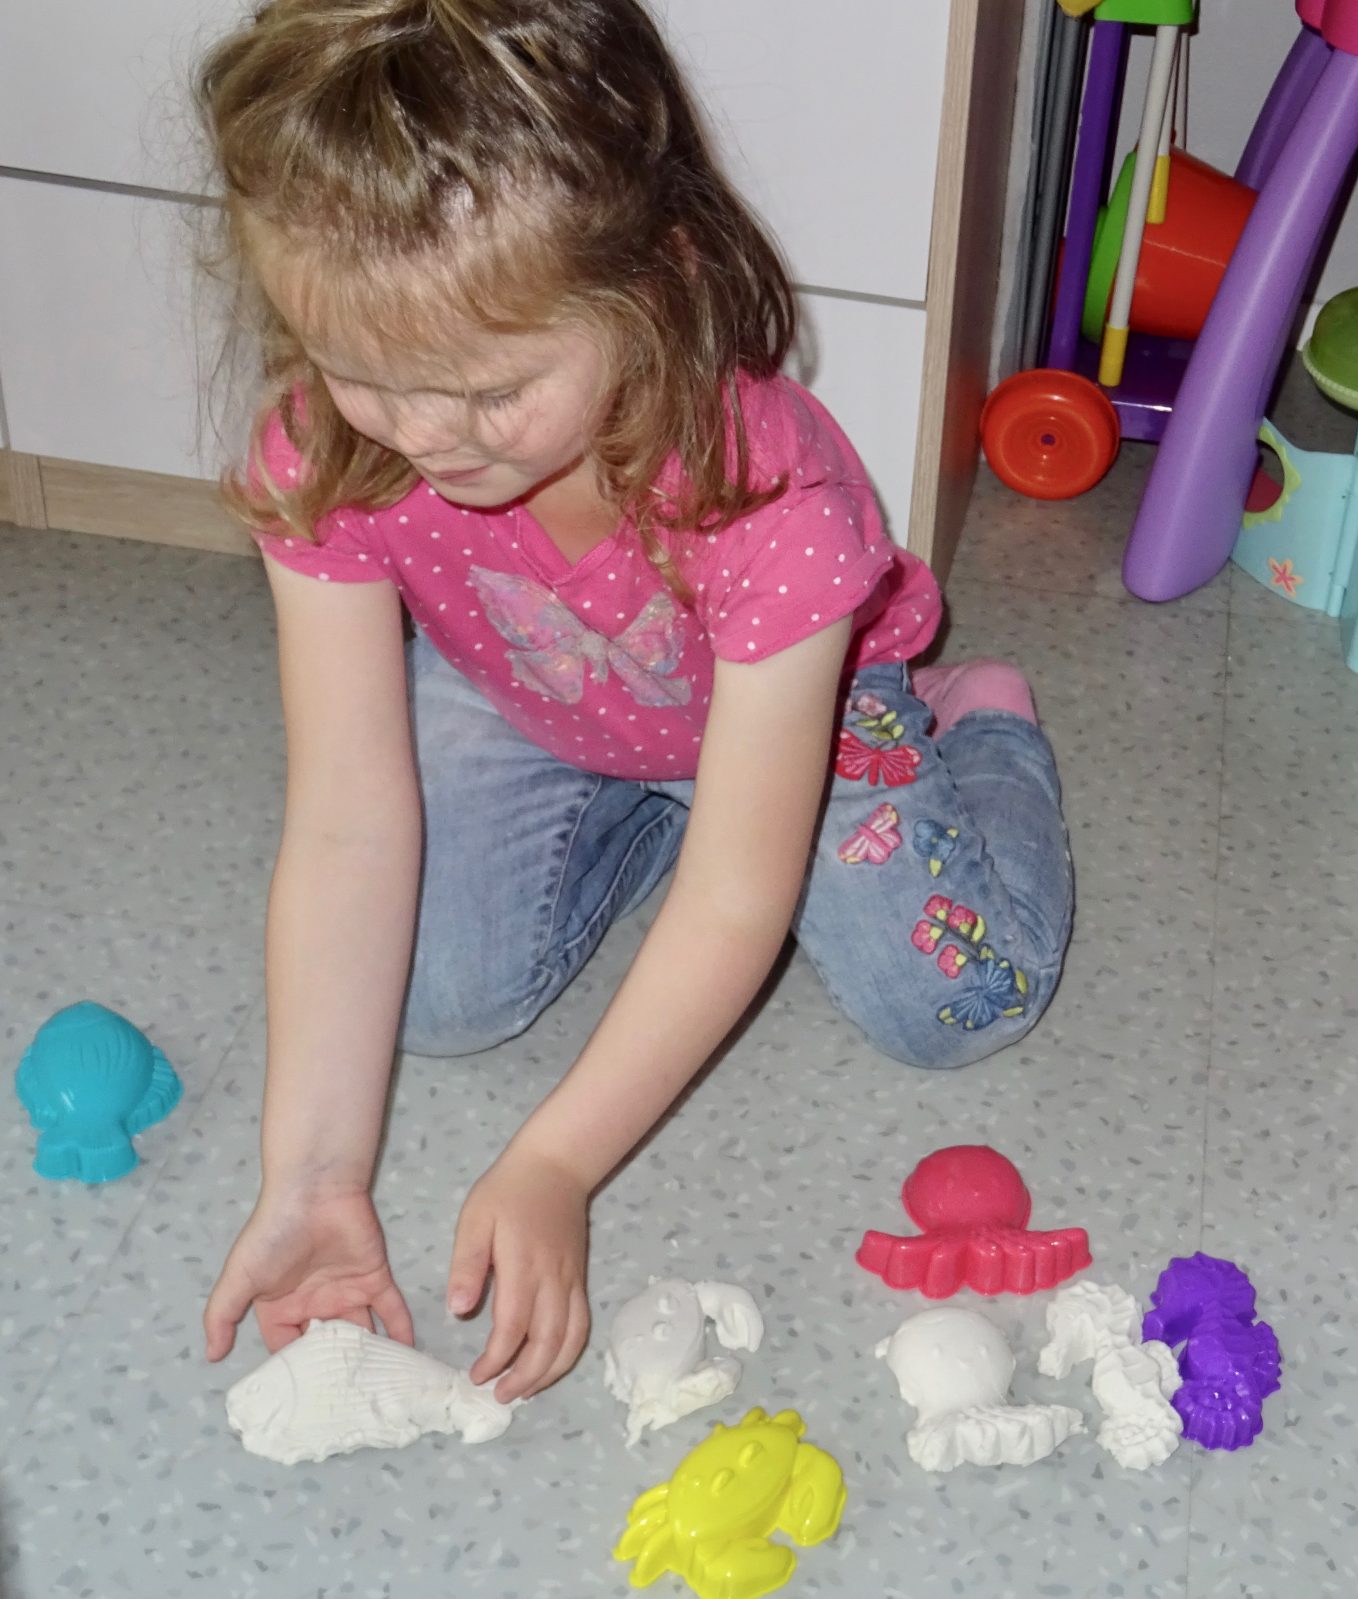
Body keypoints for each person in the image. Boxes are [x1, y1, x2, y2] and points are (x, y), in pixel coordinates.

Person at [196, 0, 1073, 1405]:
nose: (417, 434)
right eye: (357, 371)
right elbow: (348, 821)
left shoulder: (773, 502)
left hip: (793, 702)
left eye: (487, 389)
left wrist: (555, 1161)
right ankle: (662, 804)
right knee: (432, 1002)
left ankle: (979, 724)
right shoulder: (327, 451)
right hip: (531, 689)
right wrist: (310, 1176)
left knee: (965, 1004)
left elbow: (736, 900)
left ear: (657, 285)